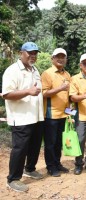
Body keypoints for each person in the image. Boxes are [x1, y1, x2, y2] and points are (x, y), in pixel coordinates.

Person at [2, 42, 44, 192]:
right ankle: (12, 179)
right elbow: (6, 94)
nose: (33, 56)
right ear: (21, 53)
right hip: (21, 118)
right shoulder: (12, 71)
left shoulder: (35, 69)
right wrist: (28, 92)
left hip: (36, 117)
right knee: (20, 148)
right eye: (30, 53)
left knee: (34, 145)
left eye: (35, 53)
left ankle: (30, 169)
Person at [41, 48, 71, 177]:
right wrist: (60, 88)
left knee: (59, 142)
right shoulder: (47, 74)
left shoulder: (67, 75)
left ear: (66, 59)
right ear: (52, 59)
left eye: (62, 57)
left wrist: (70, 113)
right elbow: (44, 93)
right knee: (50, 142)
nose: (60, 59)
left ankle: (57, 163)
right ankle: (51, 167)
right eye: (57, 57)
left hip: (63, 114)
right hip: (51, 114)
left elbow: (68, 95)